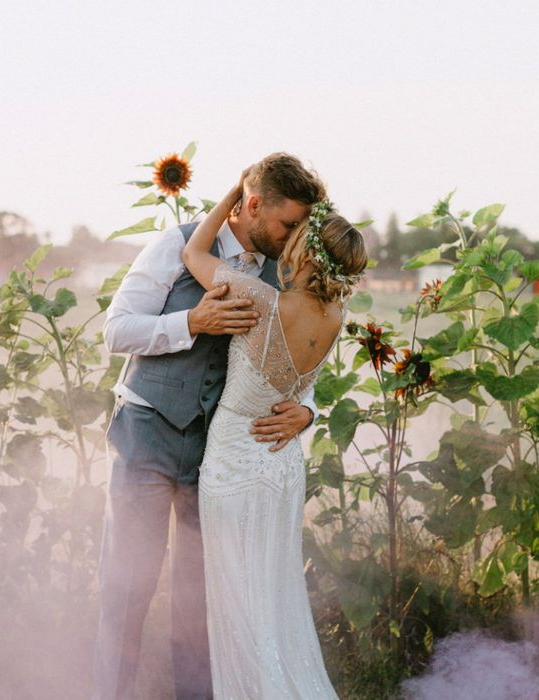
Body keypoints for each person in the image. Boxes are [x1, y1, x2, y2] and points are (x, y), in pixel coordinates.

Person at [92, 153, 326, 699]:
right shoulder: (177, 244)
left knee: (201, 601)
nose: (295, 237)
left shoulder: (285, 272)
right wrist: (191, 322)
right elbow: (116, 330)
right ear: (250, 205)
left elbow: (303, 357)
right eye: (288, 224)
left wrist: (310, 411)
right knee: (126, 589)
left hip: (219, 457)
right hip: (147, 434)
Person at [181, 170, 368, 698]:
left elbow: (195, 252)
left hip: (237, 461)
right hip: (283, 463)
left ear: (308, 253)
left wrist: (233, 196)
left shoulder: (261, 300)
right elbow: (303, 386)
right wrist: (306, 413)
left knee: (239, 603)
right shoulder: (335, 313)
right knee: (276, 597)